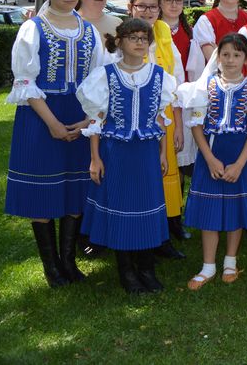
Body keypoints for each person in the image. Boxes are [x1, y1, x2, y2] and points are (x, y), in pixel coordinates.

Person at [5, 0, 106, 287]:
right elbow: (24, 81)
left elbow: (99, 78)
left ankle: (68, 261)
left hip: (80, 115)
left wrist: (89, 118)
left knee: (76, 189)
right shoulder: (33, 29)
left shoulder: (88, 30)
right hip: (41, 116)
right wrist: (51, 122)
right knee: (43, 192)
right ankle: (51, 267)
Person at [77, 18, 178, 293]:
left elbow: (160, 121)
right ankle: (126, 270)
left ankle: (146, 267)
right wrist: (95, 158)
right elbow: (96, 120)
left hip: (145, 152)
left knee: (146, 205)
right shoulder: (105, 76)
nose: (139, 42)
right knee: (121, 206)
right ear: (119, 42)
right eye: (132, 37)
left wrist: (162, 153)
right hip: (116, 152)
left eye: (143, 38)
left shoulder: (159, 77)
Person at [177, 33, 247, 289]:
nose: (230, 60)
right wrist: (209, 159)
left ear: (246, 59)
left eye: (236, 55)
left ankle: (230, 260)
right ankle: (208, 265)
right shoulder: (204, 88)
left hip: (240, 155)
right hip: (212, 154)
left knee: (236, 208)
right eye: (225, 55)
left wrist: (240, 163)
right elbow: (196, 125)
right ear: (217, 57)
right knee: (210, 211)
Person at [127, 0, 188, 257]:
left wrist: (177, 123)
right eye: (142, 6)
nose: (148, 11)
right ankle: (141, 237)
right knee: (141, 178)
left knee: (165, 177)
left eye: (153, 6)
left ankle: (163, 237)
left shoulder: (163, 31)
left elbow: (177, 80)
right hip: (134, 121)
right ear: (132, 8)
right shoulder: (124, 35)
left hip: (164, 119)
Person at [158, 0, 199, 212]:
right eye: (168, 0)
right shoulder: (152, 29)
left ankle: (177, 213)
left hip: (184, 103)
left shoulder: (189, 33)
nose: (174, 5)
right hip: (162, 104)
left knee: (181, 160)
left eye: (178, 0)